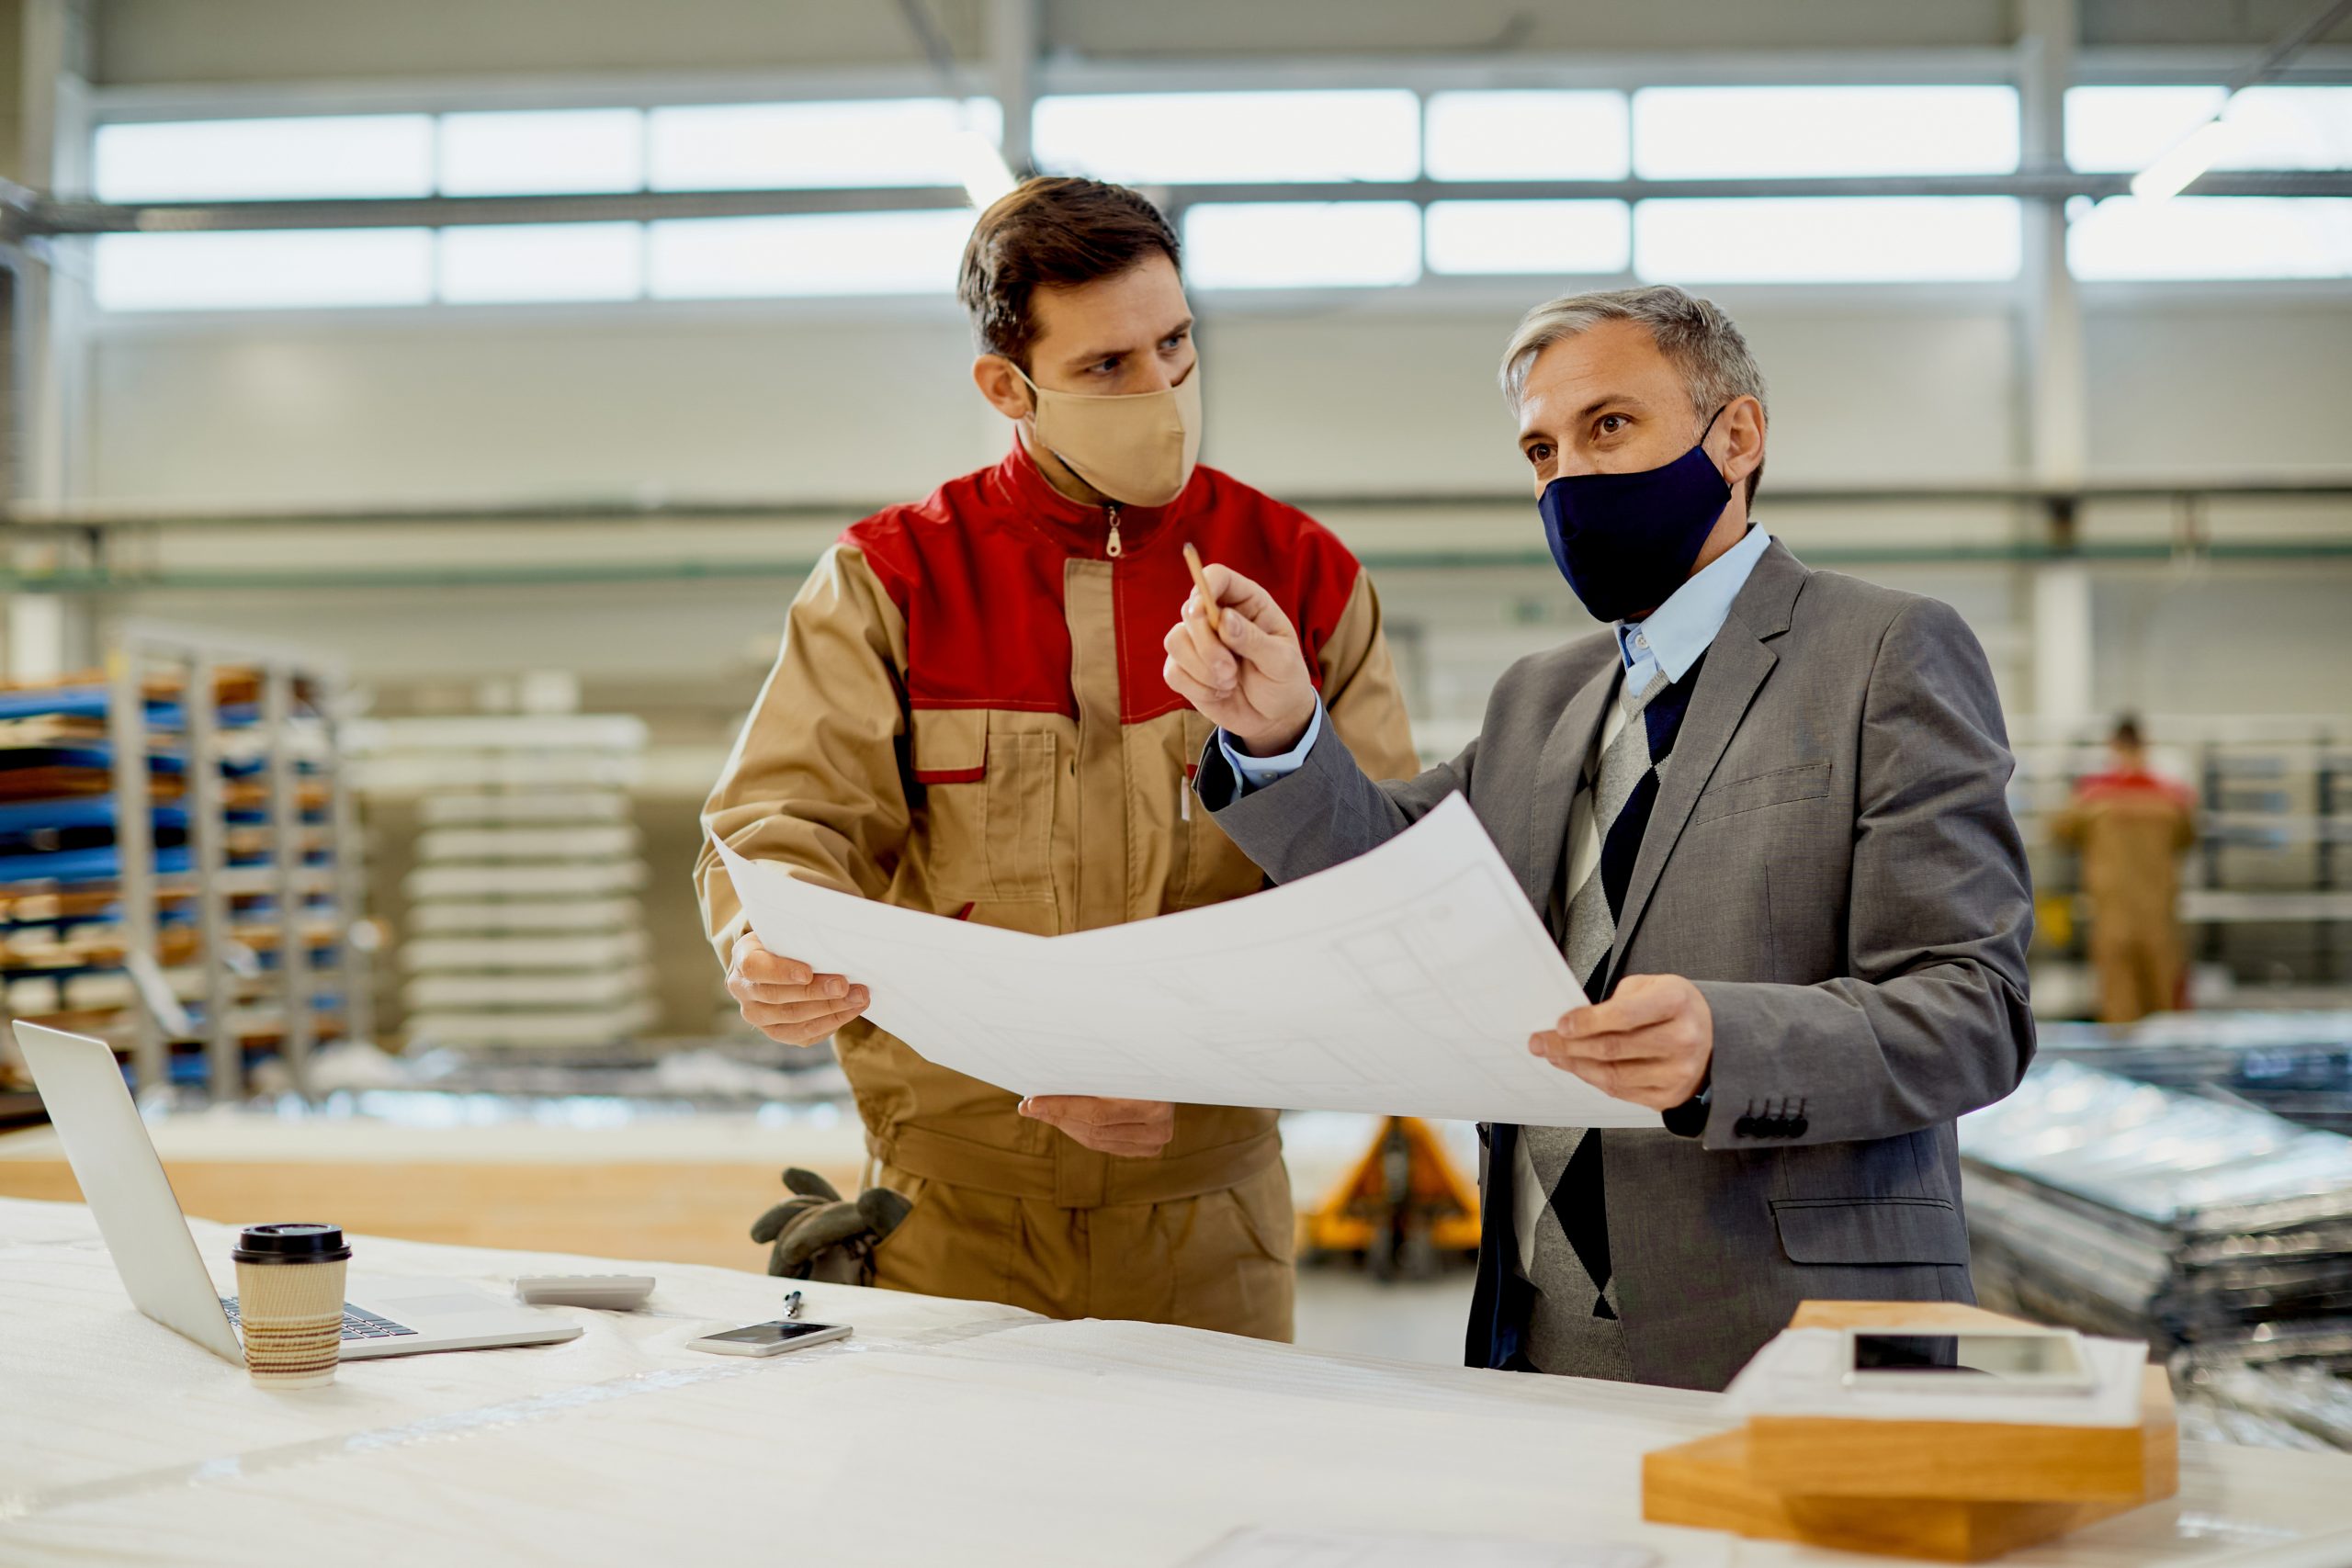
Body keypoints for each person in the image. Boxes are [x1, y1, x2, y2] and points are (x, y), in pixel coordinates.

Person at [1159, 285, 2035, 1392]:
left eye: (1608, 426)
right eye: (1539, 449)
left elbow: (1973, 1010)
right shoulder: (1540, 697)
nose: (1567, 475)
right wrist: (1281, 726)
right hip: (1541, 1329)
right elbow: (1390, 870)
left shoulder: (1885, 654)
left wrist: (1730, 1043)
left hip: (1796, 1329)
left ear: (1737, 436)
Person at [695, 176, 1417, 1340]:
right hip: (948, 1219)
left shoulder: (1303, 575)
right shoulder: (892, 580)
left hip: (1209, 1221)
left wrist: (1189, 1062)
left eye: (1174, 345)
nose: (1162, 392)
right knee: (962, 1522)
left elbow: (1375, 889)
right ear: (1006, 385)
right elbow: (781, 819)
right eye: (1106, 368)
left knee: (1212, 1512)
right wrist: (765, 939)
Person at [2052, 716, 2197, 1024]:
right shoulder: (2172, 797)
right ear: (2146, 745)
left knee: (2118, 995)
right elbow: (2188, 838)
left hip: (2112, 907)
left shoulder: (2090, 797)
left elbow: (2060, 834)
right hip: (2159, 907)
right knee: (2162, 987)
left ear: (2113, 746)